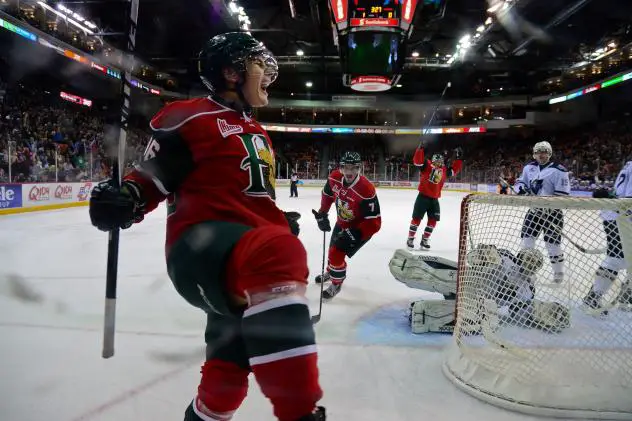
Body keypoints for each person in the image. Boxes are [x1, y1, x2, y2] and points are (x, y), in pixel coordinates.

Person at [88, 32, 325, 421]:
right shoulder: (192, 115)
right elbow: (153, 176)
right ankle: (299, 412)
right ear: (232, 73)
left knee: (227, 375)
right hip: (202, 248)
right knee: (279, 252)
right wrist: (127, 197)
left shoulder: (257, 131)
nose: (267, 72)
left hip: (240, 261)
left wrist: (280, 222)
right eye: (257, 64)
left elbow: (246, 198)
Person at [389, 244, 571, 334]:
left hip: (477, 302)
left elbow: (519, 312)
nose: (529, 264)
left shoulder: (528, 290)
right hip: (468, 281)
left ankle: (426, 315)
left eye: (534, 263)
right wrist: (483, 256)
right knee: (438, 277)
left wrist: (540, 312)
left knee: (485, 321)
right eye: (527, 259)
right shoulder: (505, 256)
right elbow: (473, 256)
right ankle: (414, 268)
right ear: (521, 255)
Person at [311, 151, 381, 300]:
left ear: (359, 169)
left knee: (336, 253)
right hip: (341, 222)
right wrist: (322, 213)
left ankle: (337, 282)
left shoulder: (366, 189)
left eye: (354, 168)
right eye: (346, 168)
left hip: (359, 228)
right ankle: (331, 272)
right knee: (332, 251)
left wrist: (355, 234)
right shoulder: (334, 178)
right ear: (341, 168)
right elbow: (327, 195)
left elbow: (374, 223)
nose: (349, 172)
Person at [514, 141, 570, 285]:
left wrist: (550, 205)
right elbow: (521, 182)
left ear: (549, 153)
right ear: (534, 153)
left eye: (544, 152)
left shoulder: (559, 170)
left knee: (552, 245)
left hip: (553, 214)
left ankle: (558, 272)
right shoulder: (529, 168)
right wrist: (521, 189)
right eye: (538, 152)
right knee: (527, 242)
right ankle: (527, 273)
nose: (541, 154)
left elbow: (563, 195)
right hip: (533, 211)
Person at [583, 162, 632, 316]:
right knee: (618, 258)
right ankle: (595, 296)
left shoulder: (629, 164)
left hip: (616, 213)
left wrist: (610, 196)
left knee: (618, 256)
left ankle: (626, 295)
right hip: (624, 216)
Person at [406, 145, 463, 250]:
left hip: (434, 199)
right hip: (422, 197)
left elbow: (454, 170)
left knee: (433, 221)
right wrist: (420, 149)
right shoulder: (426, 165)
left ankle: (425, 239)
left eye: (440, 161)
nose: (439, 163)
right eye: (437, 160)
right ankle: (410, 238)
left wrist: (459, 159)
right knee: (416, 219)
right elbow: (417, 161)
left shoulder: (444, 170)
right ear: (432, 161)